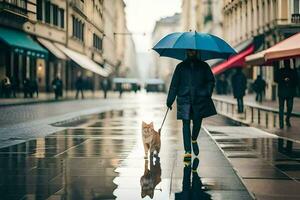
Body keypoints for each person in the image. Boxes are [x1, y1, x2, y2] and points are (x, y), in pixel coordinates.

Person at [166, 49, 217, 161]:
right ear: (186, 51)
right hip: (184, 98)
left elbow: (211, 81)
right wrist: (170, 100)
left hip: (199, 99)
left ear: (197, 51)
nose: (191, 52)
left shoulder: (204, 66)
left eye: (193, 50)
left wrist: (206, 92)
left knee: (197, 122)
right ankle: (187, 151)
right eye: (189, 50)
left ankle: (194, 139)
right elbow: (174, 84)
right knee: (185, 123)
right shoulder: (180, 67)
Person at [275, 60, 298, 129]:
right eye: (285, 63)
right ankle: (281, 123)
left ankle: (287, 119)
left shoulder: (293, 71)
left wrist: (290, 80)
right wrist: (283, 79)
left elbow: (296, 81)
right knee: (281, 108)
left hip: (290, 92)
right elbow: (276, 79)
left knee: (290, 107)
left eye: (287, 63)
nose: (286, 64)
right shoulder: (280, 71)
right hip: (282, 92)